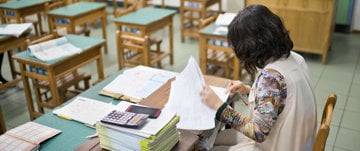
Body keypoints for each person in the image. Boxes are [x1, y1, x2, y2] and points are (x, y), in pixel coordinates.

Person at [200, 4, 317, 151]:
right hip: (296, 140)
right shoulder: (295, 58)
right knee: (212, 140)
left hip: (277, 144)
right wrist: (250, 90)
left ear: (251, 46)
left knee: (205, 146)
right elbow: (281, 98)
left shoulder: (271, 78)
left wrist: (219, 107)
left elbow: (258, 132)